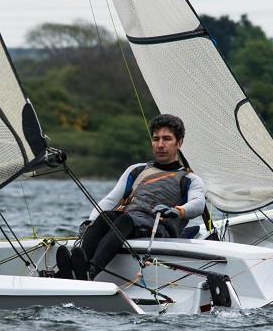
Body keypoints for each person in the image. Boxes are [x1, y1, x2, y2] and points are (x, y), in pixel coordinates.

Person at [56, 114, 206, 280]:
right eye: (156, 139)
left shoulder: (190, 179)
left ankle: (90, 272)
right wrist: (90, 222)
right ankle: (73, 270)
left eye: (167, 139)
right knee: (107, 216)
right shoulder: (136, 170)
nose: (160, 145)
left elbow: (198, 204)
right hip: (129, 220)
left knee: (124, 220)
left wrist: (177, 211)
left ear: (179, 143)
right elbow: (110, 200)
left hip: (159, 228)